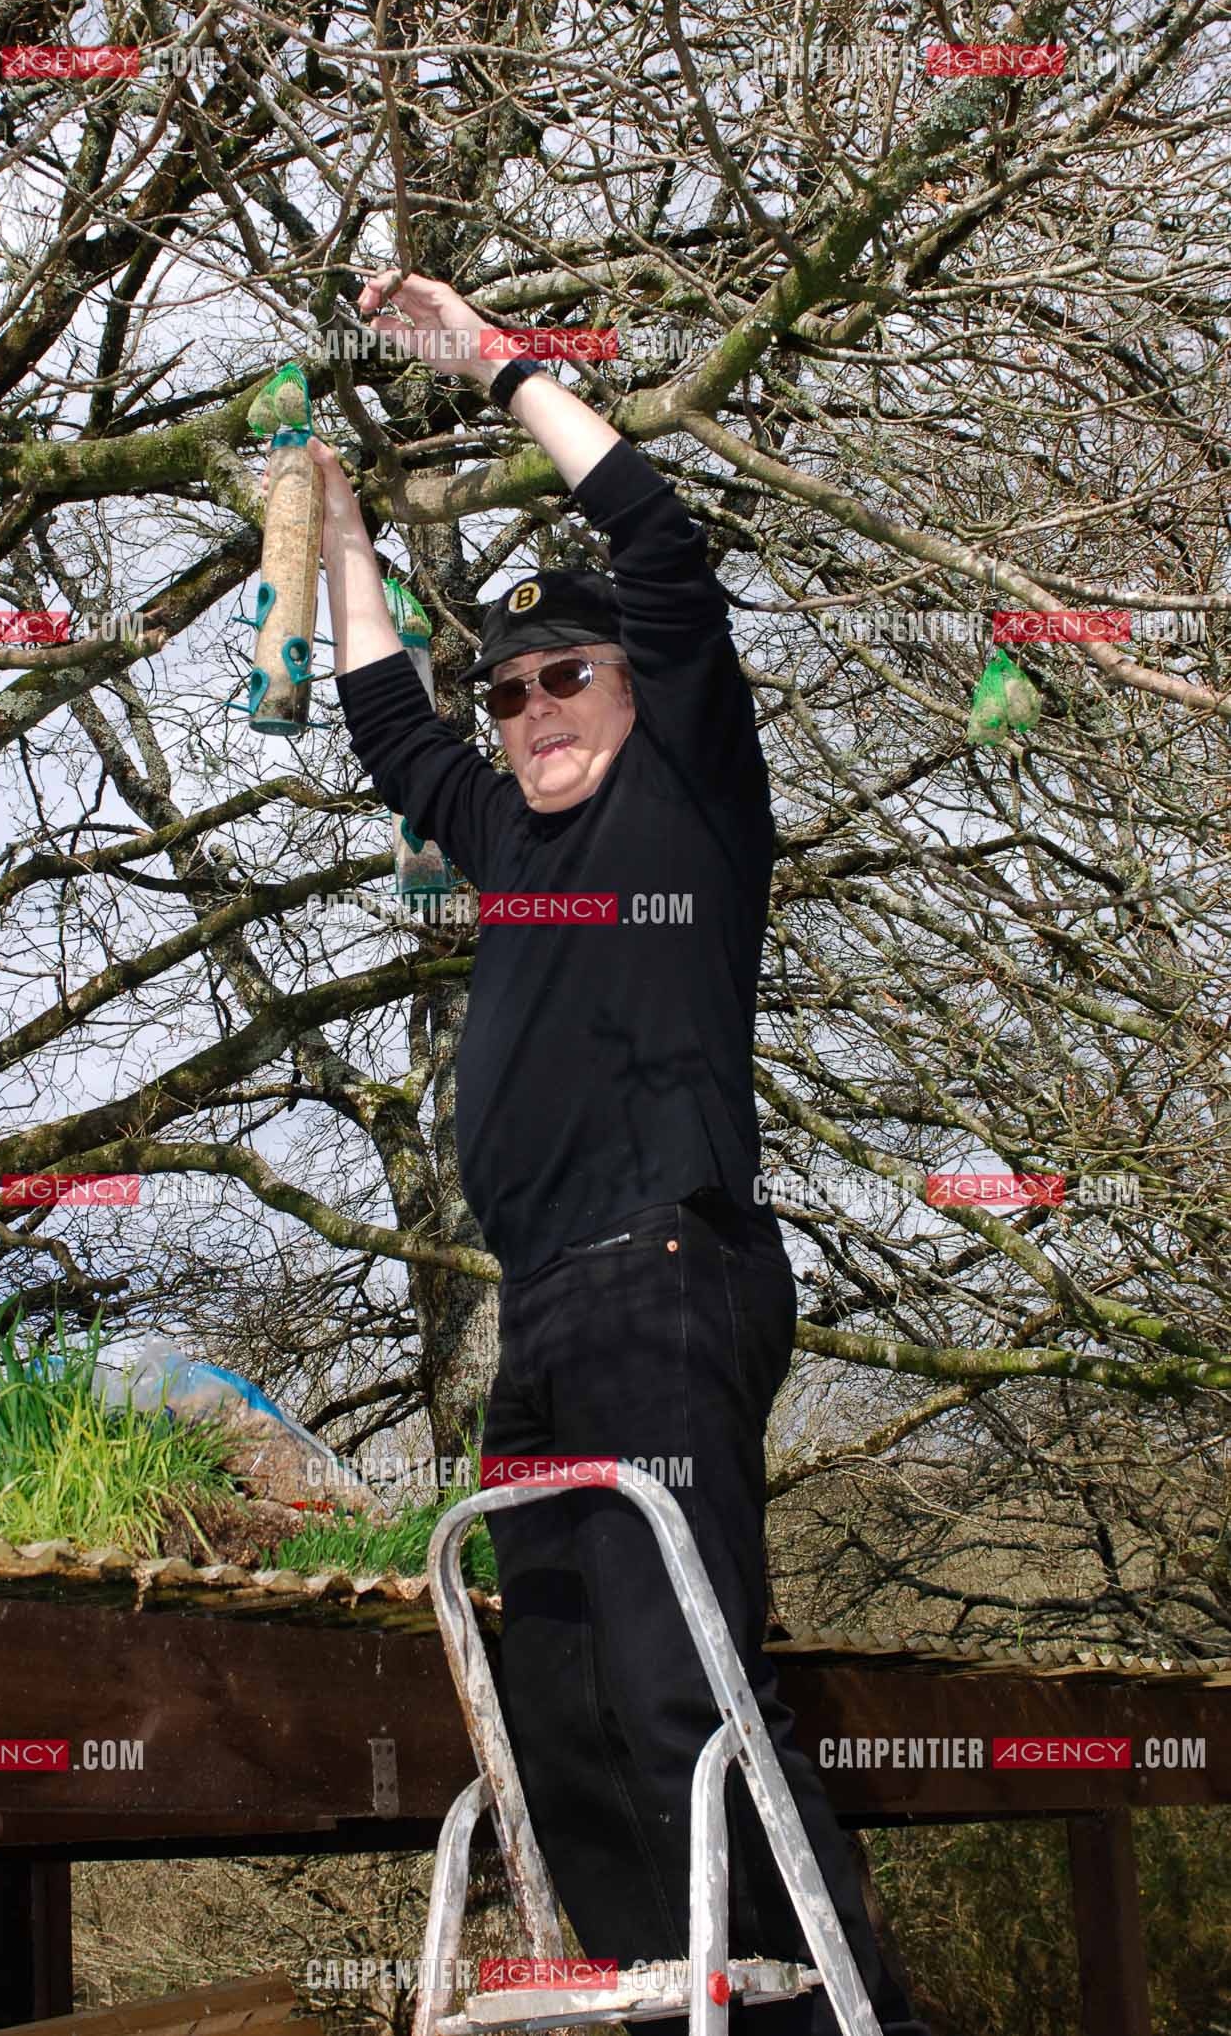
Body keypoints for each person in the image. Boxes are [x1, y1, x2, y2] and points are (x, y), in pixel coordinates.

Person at [318, 271, 930, 2036]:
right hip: (548, 1318)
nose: (532, 709)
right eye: (508, 690)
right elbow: (380, 719)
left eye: (566, 673)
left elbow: (659, 540)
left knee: (684, 1697)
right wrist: (335, 521)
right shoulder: (505, 830)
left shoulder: (689, 788)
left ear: (631, 686)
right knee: (564, 1729)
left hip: (671, 1270)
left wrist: (498, 364)